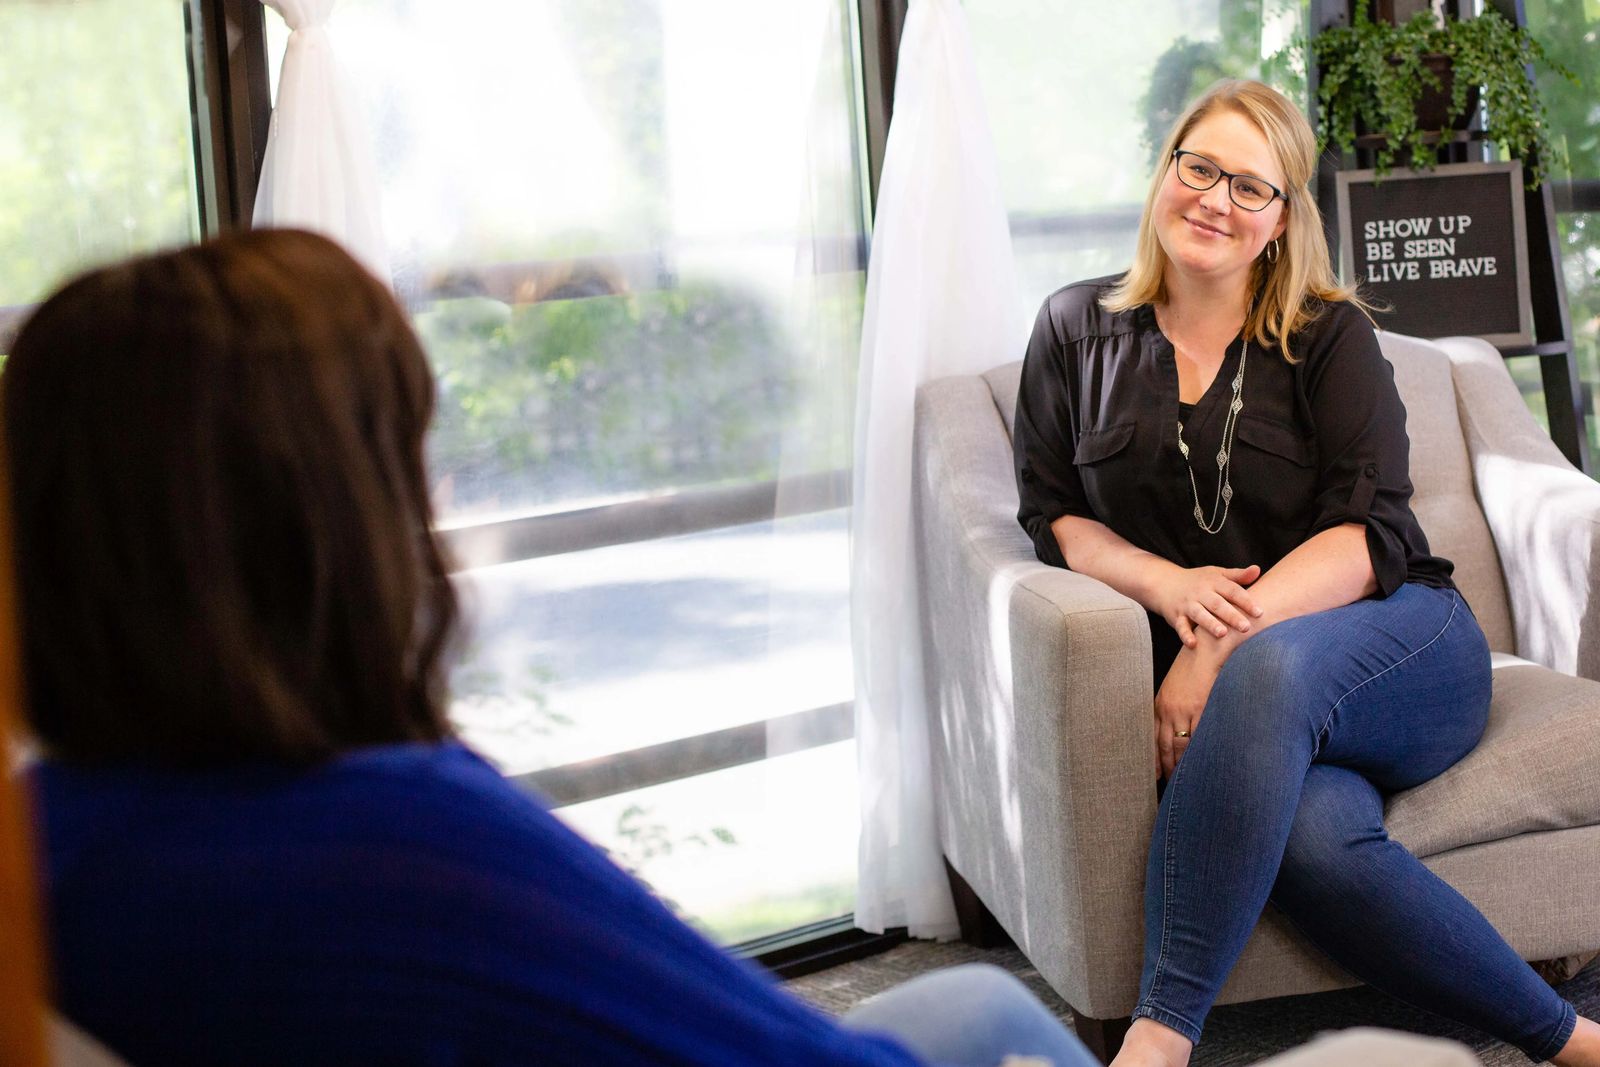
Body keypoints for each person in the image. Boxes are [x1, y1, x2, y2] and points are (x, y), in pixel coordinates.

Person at [4, 228, 1096, 1067]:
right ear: (321, 524)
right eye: (402, 455)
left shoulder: (41, 843)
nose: (433, 493)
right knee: (991, 1018)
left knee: (965, 1000)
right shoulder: (396, 843)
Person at [1010, 79, 1600, 1067]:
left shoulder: (1329, 333)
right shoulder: (1073, 327)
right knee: (1313, 836)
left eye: (1251, 186)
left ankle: (1159, 1037)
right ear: (1165, 171)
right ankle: (1574, 1040)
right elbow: (1051, 511)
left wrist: (1212, 645)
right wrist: (1166, 586)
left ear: (1282, 219)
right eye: (1201, 168)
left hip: (1400, 638)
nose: (1217, 200)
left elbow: (1365, 533)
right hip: (1265, 702)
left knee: (1270, 666)